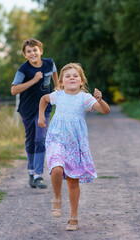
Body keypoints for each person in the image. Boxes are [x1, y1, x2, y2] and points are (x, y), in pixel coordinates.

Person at [38, 62, 110, 231]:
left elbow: (105, 110)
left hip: (75, 144)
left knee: (72, 181)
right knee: (55, 167)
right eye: (67, 76)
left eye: (75, 76)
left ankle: (73, 217)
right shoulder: (58, 95)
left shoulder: (85, 99)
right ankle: (56, 198)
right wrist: (41, 116)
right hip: (56, 138)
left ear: (81, 81)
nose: (72, 78)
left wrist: (100, 100)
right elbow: (43, 99)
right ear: (61, 82)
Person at [11, 38, 59, 189]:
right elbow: (14, 90)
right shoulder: (23, 69)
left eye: (35, 50)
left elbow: (55, 74)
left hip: (44, 108)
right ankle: (31, 171)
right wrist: (34, 80)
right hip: (27, 110)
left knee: (41, 138)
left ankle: (38, 175)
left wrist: (57, 86)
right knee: (31, 140)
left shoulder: (49, 63)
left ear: (41, 51)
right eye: (29, 51)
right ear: (25, 55)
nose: (33, 53)